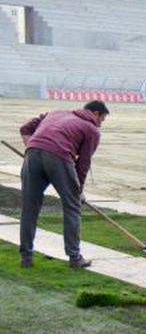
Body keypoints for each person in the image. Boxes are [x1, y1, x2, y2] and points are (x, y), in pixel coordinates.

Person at [18, 99, 110, 269]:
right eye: (101, 120)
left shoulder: (55, 112)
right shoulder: (91, 130)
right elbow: (83, 164)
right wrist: (78, 191)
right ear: (95, 113)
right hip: (59, 157)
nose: (100, 125)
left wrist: (32, 145)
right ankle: (75, 258)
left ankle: (26, 258)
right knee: (72, 207)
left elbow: (25, 129)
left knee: (29, 208)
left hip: (32, 155)